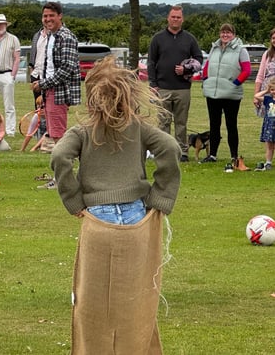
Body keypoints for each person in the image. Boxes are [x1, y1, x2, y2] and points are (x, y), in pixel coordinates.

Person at [50, 57, 181, 354]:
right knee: (137, 301)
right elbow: (171, 148)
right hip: (137, 218)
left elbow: (59, 157)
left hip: (97, 220)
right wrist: (160, 196)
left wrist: (73, 200)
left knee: (93, 304)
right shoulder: (139, 128)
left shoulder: (82, 130)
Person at [30, 2, 82, 188]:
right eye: (45, 16)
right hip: (49, 91)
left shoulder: (66, 37)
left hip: (59, 92)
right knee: (54, 135)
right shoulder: (51, 36)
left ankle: (63, 179)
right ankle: (60, 177)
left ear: (60, 16)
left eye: (51, 16)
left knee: (60, 137)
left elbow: (67, 68)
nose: (47, 19)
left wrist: (43, 83)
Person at [148, 5, 204, 162]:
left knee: (181, 122)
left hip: (182, 88)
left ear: (182, 19)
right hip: (162, 88)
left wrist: (186, 69)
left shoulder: (190, 39)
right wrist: (153, 83)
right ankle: (164, 151)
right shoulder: (157, 38)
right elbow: (151, 62)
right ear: (168, 18)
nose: (175, 19)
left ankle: (182, 152)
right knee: (163, 122)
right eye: (173, 16)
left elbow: (199, 60)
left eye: (178, 17)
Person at [200, 23, 251, 170]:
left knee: (231, 125)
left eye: (228, 32)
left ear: (233, 34)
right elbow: (207, 66)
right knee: (214, 125)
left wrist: (235, 82)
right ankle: (213, 154)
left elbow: (246, 70)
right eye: (223, 32)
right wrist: (206, 78)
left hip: (231, 94)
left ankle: (234, 155)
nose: (225, 35)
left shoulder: (241, 50)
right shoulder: (214, 48)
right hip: (213, 93)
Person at [253, 27, 275, 117]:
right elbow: (260, 76)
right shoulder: (267, 54)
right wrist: (256, 95)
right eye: (273, 38)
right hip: (268, 92)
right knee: (269, 119)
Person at [254, 80, 275, 171]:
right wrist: (266, 91)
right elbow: (256, 96)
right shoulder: (267, 99)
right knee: (269, 145)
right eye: (272, 89)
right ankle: (268, 162)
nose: (274, 91)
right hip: (270, 125)